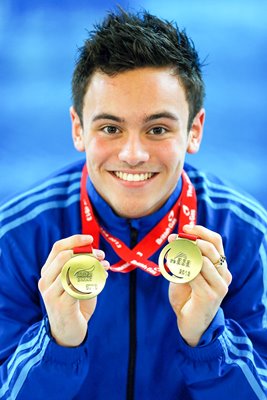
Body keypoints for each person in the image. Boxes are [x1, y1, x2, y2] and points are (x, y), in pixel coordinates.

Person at [0, 8, 266, 400]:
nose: (133, 154)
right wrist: (57, 344)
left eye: (158, 129)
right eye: (111, 128)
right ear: (78, 129)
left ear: (194, 131)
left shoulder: (246, 235)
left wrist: (209, 340)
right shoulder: (17, 238)